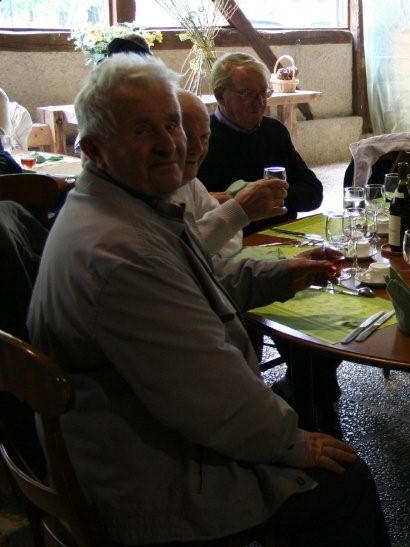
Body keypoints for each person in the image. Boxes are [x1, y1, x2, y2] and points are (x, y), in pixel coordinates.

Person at [26, 55, 389, 546]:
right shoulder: (122, 254)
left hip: (124, 438)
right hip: (148, 481)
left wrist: (282, 275)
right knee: (344, 484)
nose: (172, 144)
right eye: (142, 130)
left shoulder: (122, 207)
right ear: (94, 148)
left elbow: (201, 275)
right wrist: (294, 442)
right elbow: (211, 397)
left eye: (172, 123)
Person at [197, 52, 323, 235]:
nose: (260, 102)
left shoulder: (274, 131)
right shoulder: (202, 138)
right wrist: (248, 201)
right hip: (229, 244)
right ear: (220, 96)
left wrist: (268, 197)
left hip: (284, 237)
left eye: (264, 92)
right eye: (247, 93)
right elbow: (193, 206)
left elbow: (313, 193)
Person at [172, 90, 287, 257]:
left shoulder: (189, 182)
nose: (198, 149)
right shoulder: (136, 201)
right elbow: (178, 260)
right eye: (187, 138)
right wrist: (239, 209)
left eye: (204, 138)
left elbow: (228, 249)